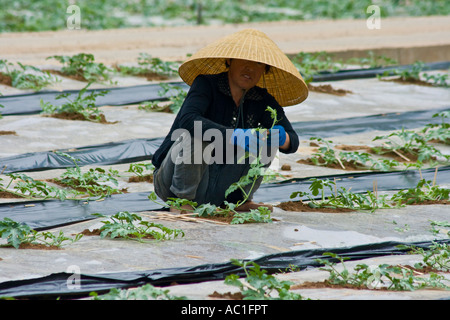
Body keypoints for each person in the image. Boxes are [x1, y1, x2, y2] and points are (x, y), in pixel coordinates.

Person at [152, 28, 308, 212]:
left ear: (264, 70)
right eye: (244, 59)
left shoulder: (263, 99)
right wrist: (234, 135)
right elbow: (187, 120)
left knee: (264, 142)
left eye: (258, 63)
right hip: (175, 181)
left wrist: (281, 138)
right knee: (197, 135)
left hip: (220, 187)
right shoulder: (206, 84)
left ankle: (239, 200)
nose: (250, 67)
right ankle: (182, 203)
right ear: (229, 60)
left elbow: (293, 140)